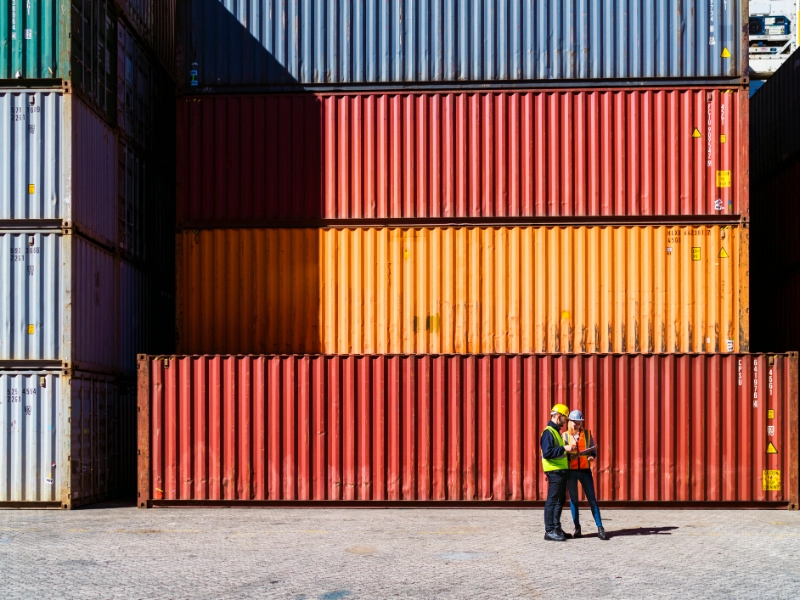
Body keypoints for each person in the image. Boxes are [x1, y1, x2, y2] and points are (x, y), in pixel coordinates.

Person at [563, 410, 609, 541]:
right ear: (569, 422)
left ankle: (600, 528)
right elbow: (561, 454)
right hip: (571, 472)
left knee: (592, 501)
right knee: (574, 500)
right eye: (575, 422)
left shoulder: (587, 435)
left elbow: (593, 450)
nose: (577, 425)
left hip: (585, 472)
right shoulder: (564, 436)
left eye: (579, 423)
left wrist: (592, 456)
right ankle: (577, 527)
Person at [540, 403, 577, 541]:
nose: (566, 422)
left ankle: (556, 528)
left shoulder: (556, 432)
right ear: (559, 416)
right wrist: (564, 449)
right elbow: (548, 452)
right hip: (554, 472)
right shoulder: (548, 432)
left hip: (560, 472)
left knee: (559, 501)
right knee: (552, 500)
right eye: (565, 419)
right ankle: (549, 530)